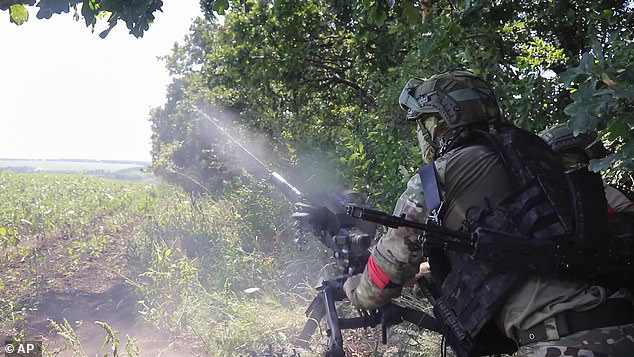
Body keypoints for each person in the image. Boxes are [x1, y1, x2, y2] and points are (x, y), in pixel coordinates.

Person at [344, 70, 634, 356]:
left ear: (437, 122)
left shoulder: (440, 176)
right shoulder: (539, 158)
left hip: (560, 343)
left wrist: (355, 289)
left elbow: (388, 269)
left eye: (421, 123)